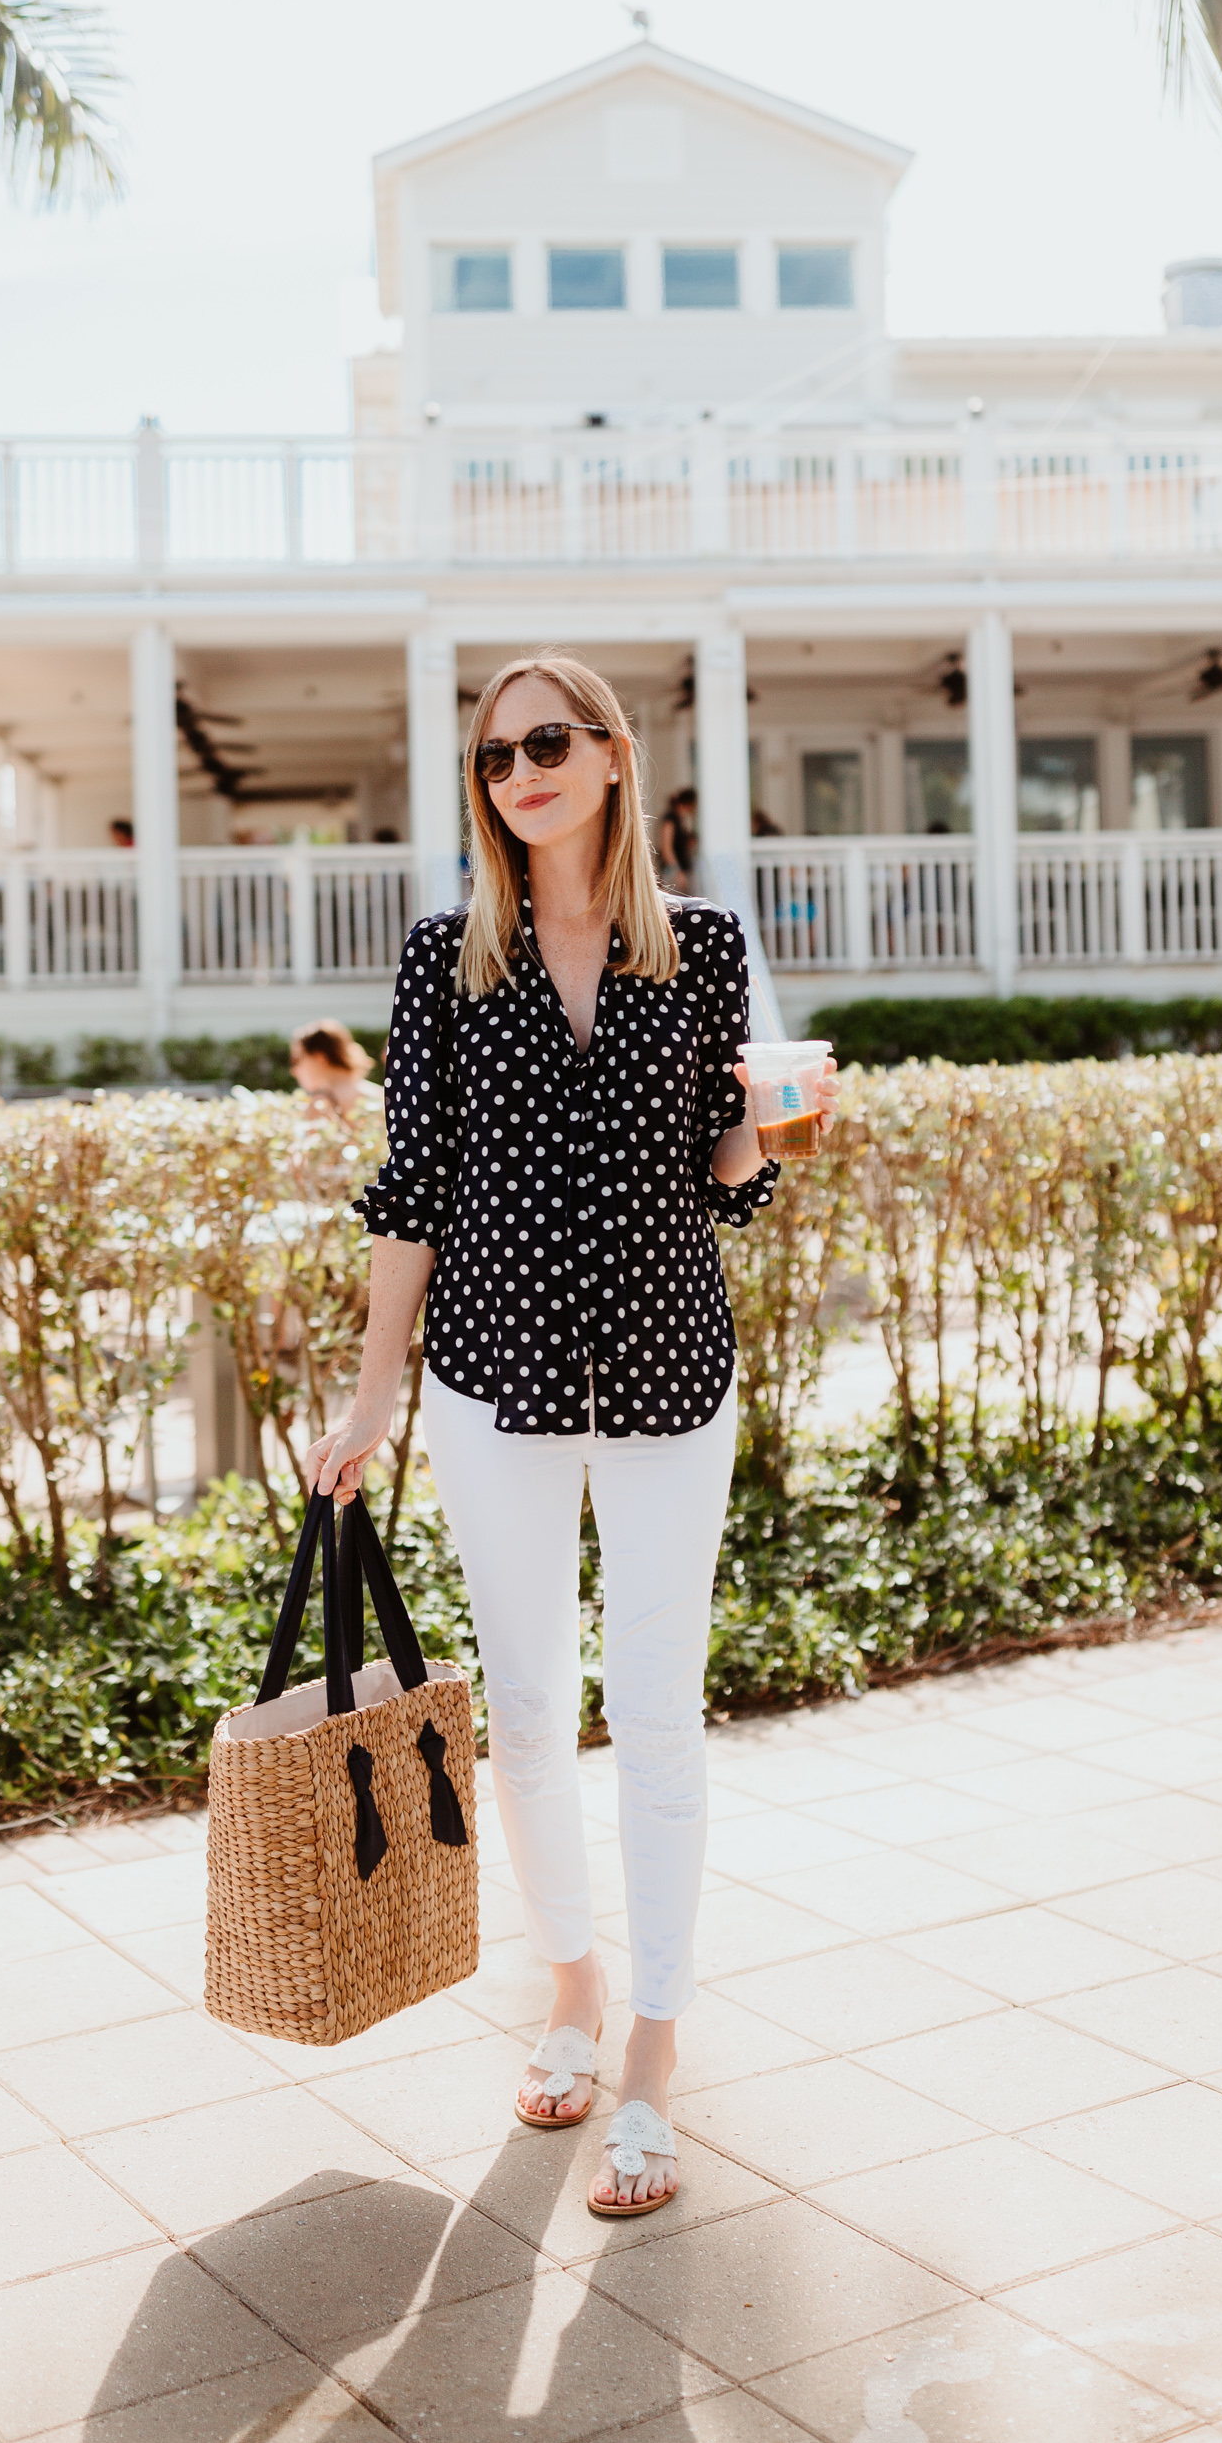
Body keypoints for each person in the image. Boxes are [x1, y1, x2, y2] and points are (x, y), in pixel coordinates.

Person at [307, 651, 837, 2220]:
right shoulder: (443, 959)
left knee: (657, 1714)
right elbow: (414, 1196)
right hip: (490, 1382)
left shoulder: (711, 951)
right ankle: (571, 1992)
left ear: (612, 757)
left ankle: (656, 2055)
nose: (517, 772)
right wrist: (372, 1387)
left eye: (545, 743)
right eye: (492, 757)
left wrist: (775, 1123)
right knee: (529, 1713)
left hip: (672, 1378)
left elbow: (725, 1183)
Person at [289, 1018, 376, 1114]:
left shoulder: (321, 1104)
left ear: (319, 1058)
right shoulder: (380, 1095)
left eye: (296, 1059)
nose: (294, 1070)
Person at [655, 786, 696, 890]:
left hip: (682, 870)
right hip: (673, 872)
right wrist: (676, 870)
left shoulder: (682, 821)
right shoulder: (670, 820)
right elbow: (666, 848)